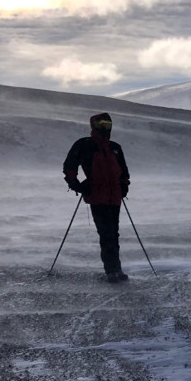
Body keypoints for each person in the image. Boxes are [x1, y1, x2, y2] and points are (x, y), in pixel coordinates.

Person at [63, 112, 131, 283]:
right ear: (94, 125)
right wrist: (76, 184)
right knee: (106, 233)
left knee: (113, 233)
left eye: (107, 123)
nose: (104, 126)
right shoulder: (85, 144)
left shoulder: (115, 147)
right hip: (97, 195)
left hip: (114, 196)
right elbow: (70, 165)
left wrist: (124, 186)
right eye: (101, 123)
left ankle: (116, 269)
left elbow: (123, 171)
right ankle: (111, 270)